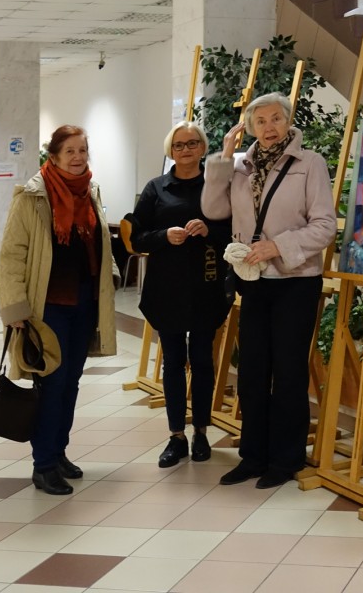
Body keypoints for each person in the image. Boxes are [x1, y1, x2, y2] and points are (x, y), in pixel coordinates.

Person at [202, 92, 337, 489]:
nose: (269, 127)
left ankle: (285, 459)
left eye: (276, 118)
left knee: (289, 371)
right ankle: (253, 456)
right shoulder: (240, 167)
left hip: (296, 280)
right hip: (254, 279)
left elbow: (325, 226)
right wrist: (224, 159)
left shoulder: (309, 163)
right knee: (252, 370)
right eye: (260, 122)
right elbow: (213, 210)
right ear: (249, 128)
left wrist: (278, 246)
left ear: (288, 121)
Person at [0, 125, 117, 495]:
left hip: (84, 302)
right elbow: (12, 254)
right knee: (52, 383)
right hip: (47, 307)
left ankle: (59, 451)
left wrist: (110, 276)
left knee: (71, 381)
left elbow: (99, 242)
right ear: (54, 156)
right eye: (70, 151)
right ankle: (44, 464)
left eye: (83, 150)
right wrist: (15, 307)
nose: (78, 157)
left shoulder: (90, 191)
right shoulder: (32, 196)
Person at [128, 121, 232, 469]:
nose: (185, 150)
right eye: (178, 145)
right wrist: (163, 236)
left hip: (207, 286)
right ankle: (176, 436)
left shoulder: (217, 187)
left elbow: (235, 232)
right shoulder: (156, 188)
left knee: (202, 360)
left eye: (192, 143)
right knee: (172, 362)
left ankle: (201, 431)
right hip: (166, 289)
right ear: (170, 151)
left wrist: (209, 229)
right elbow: (136, 237)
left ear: (203, 147)